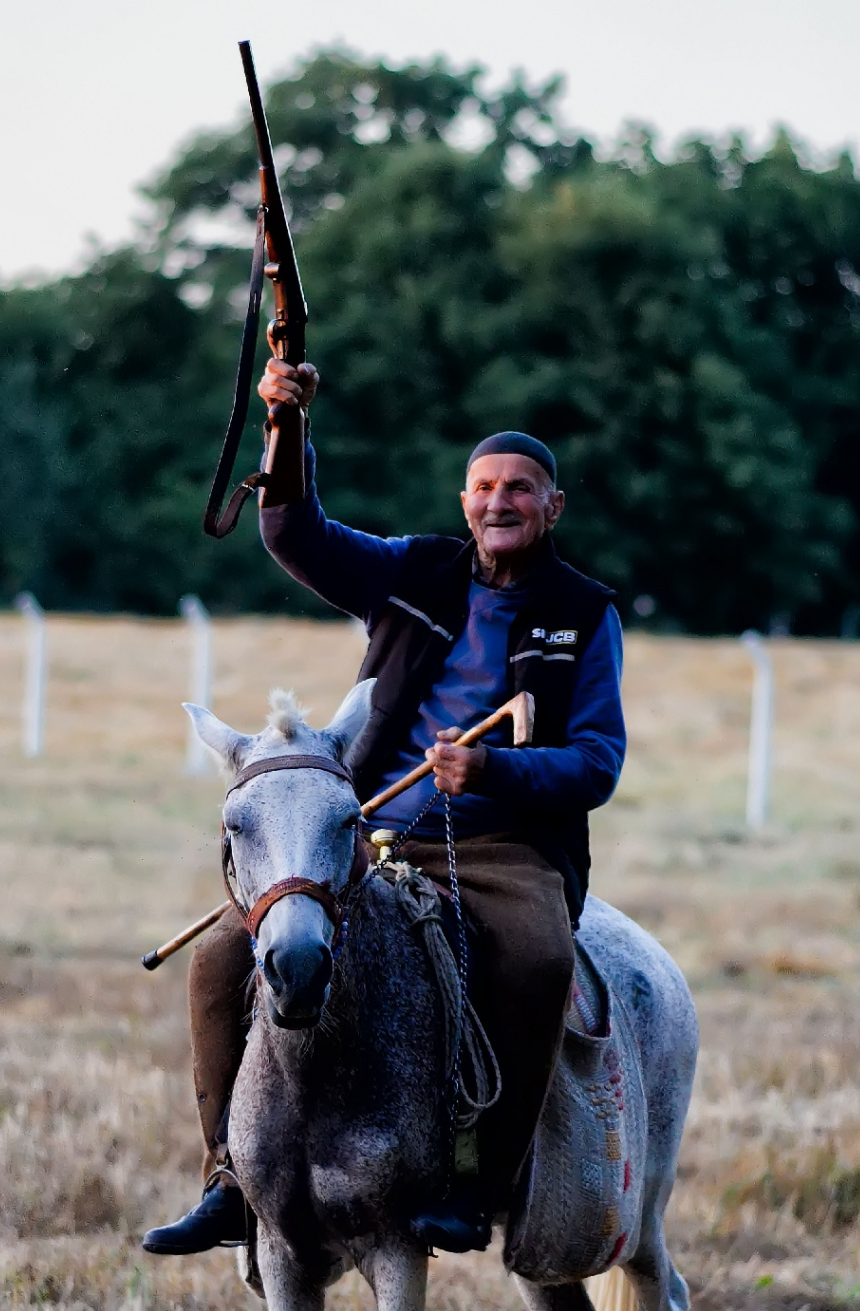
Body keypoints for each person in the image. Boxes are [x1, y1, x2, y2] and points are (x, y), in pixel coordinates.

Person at [144, 357, 626, 1257]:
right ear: (463, 500)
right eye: (484, 487)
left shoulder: (584, 614)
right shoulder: (415, 571)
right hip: (365, 831)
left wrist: (491, 770)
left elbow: (597, 763)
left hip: (503, 843)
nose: (499, 502)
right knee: (218, 955)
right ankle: (228, 1178)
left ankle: (479, 1187)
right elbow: (297, 535)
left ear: (553, 506)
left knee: (536, 954)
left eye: (520, 488)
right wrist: (287, 427)